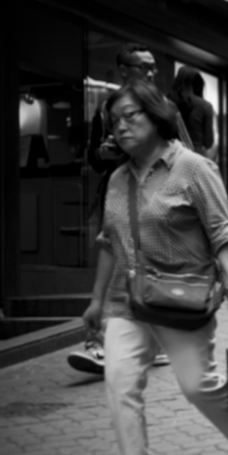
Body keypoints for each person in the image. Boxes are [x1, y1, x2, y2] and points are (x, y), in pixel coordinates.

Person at [82, 79, 228, 455]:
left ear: (156, 116)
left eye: (132, 116)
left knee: (196, 385)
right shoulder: (117, 179)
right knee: (120, 383)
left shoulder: (193, 168)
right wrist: (95, 301)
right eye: (115, 120)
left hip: (184, 297)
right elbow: (110, 241)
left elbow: (223, 231)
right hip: (128, 301)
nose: (122, 126)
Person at [67, 42, 192, 375]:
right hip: (119, 198)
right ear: (125, 71)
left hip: (157, 199)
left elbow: (187, 154)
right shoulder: (106, 109)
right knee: (117, 268)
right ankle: (99, 344)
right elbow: (94, 158)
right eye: (144, 67)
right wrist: (106, 156)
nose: (152, 73)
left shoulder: (164, 107)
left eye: (154, 67)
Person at [170, 65, 215, 157]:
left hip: (171, 155)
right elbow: (208, 143)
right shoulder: (205, 107)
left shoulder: (167, 103)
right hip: (195, 156)